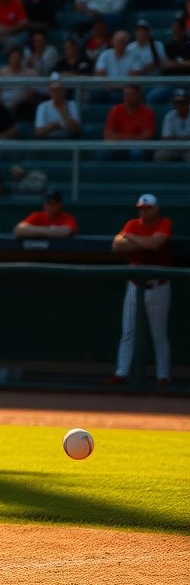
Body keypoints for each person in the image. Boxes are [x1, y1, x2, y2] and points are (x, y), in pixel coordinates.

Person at [107, 194, 173, 387]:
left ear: (155, 209)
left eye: (147, 208)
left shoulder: (164, 222)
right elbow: (117, 245)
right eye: (141, 208)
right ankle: (121, 373)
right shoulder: (132, 223)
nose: (143, 211)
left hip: (158, 285)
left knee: (158, 334)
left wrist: (133, 239)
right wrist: (142, 240)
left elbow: (155, 244)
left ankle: (163, 376)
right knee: (128, 332)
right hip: (135, 286)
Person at [103, 84, 155, 160]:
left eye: (132, 94)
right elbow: (108, 134)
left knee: (137, 152)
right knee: (104, 152)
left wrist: (122, 138)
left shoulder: (147, 112)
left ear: (139, 96)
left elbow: (147, 136)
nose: (128, 97)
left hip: (138, 146)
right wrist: (130, 138)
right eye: (126, 94)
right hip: (119, 145)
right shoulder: (115, 110)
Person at [155, 89, 190, 161]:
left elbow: (170, 137)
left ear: (188, 102)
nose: (180, 105)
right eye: (177, 102)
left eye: (183, 102)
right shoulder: (170, 115)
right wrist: (185, 138)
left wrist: (175, 138)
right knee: (160, 156)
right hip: (172, 148)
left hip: (188, 148)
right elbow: (166, 138)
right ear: (174, 103)